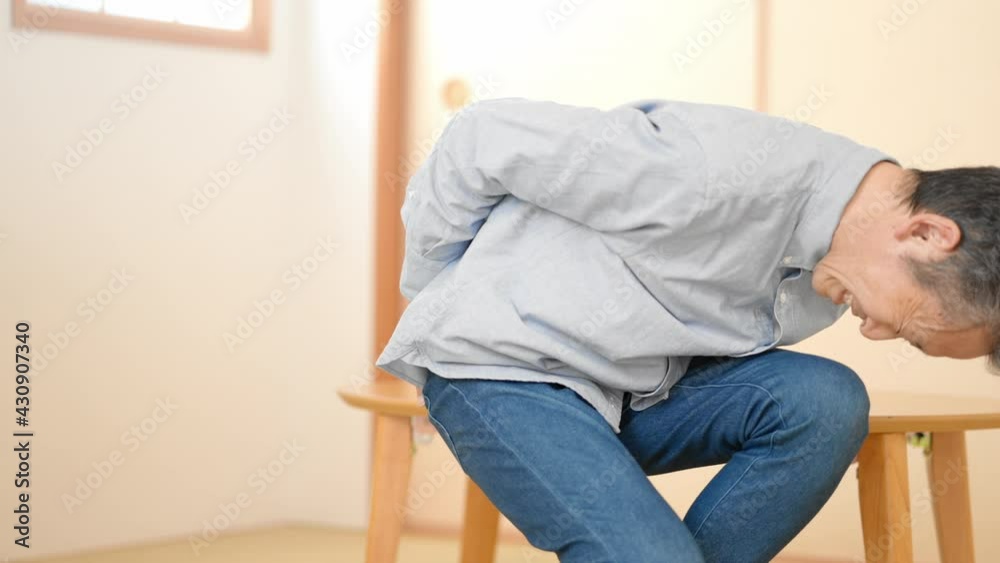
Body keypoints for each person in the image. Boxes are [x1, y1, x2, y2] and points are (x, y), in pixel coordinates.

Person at [374, 97, 1000, 562]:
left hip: (627, 392)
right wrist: (437, 296)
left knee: (828, 401)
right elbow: (482, 136)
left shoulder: (828, 278)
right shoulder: (706, 173)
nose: (876, 333)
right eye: (911, 326)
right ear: (926, 235)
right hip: (504, 373)